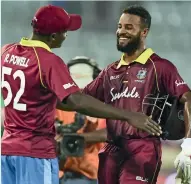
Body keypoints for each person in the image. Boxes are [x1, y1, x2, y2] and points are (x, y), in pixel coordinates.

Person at [1, 5, 162, 184]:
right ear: (53, 36)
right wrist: (128, 115)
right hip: (35, 153)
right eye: (65, 31)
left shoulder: (6, 51)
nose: (66, 35)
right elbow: (75, 100)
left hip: (7, 150)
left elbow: (49, 99)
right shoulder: (49, 61)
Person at [82, 5, 191, 184]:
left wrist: (188, 146)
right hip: (110, 151)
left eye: (129, 27)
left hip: (143, 149)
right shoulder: (109, 71)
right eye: (120, 26)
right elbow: (79, 99)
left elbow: (188, 98)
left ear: (144, 32)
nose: (121, 31)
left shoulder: (160, 67)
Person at [57, 56, 107, 184]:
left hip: (86, 172)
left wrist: (76, 138)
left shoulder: (102, 104)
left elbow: (109, 132)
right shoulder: (58, 103)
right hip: (58, 168)